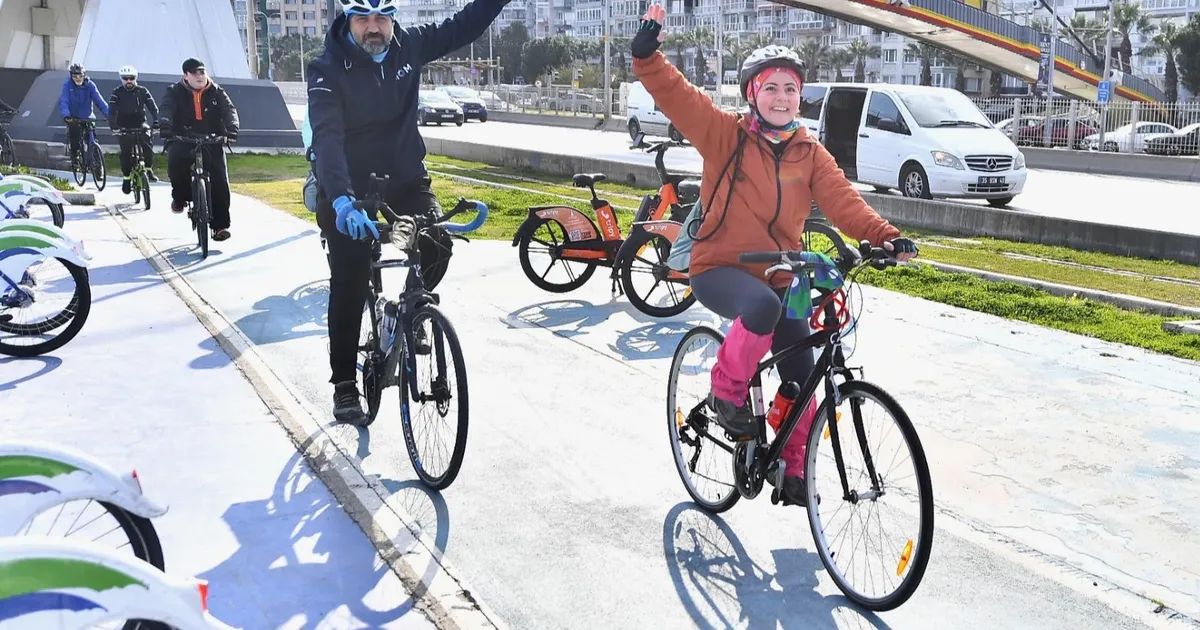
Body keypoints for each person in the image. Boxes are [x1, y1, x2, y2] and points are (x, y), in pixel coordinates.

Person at [631, 4, 919, 506]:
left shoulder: (810, 151)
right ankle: (726, 392)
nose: (782, 97)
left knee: (805, 371)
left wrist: (885, 236)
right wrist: (647, 53)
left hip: (783, 273)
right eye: (771, 87)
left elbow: (843, 202)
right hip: (719, 267)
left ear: (800, 95)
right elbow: (677, 96)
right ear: (752, 94)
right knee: (761, 307)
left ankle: (791, 467)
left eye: (790, 88)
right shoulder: (725, 136)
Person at [307, 0, 512, 425]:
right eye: (363, 18)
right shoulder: (326, 69)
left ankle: (407, 311)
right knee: (350, 280)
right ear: (348, 20)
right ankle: (344, 383)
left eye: (382, 17)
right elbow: (327, 139)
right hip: (347, 188)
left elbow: (464, 26)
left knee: (438, 244)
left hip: (404, 179)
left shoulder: (410, 47)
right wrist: (342, 200)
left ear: (394, 18)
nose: (374, 27)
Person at [158, 58, 239, 241]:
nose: (200, 76)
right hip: (182, 137)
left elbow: (229, 110)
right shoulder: (174, 91)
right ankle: (180, 197)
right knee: (175, 165)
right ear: (185, 76)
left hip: (212, 138)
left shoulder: (217, 91)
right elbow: (166, 109)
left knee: (220, 181)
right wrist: (165, 126)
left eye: (202, 72)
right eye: (195, 73)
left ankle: (220, 226)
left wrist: (232, 130)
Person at [107, 65, 161, 194]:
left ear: (135, 78)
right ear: (121, 79)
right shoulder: (117, 92)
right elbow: (112, 111)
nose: (128, 81)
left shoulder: (142, 91)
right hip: (124, 125)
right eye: (125, 79)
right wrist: (113, 126)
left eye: (131, 78)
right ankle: (126, 178)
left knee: (147, 145)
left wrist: (157, 121)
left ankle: (148, 169)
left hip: (140, 123)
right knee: (126, 152)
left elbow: (153, 108)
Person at [57, 64, 109, 167]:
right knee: (75, 136)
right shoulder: (67, 86)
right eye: (75, 76)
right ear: (71, 76)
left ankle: (97, 163)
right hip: (74, 118)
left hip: (88, 117)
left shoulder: (90, 85)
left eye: (80, 76)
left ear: (84, 75)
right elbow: (64, 101)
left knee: (92, 138)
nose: (78, 78)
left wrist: (109, 115)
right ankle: (75, 156)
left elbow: (100, 101)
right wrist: (66, 115)